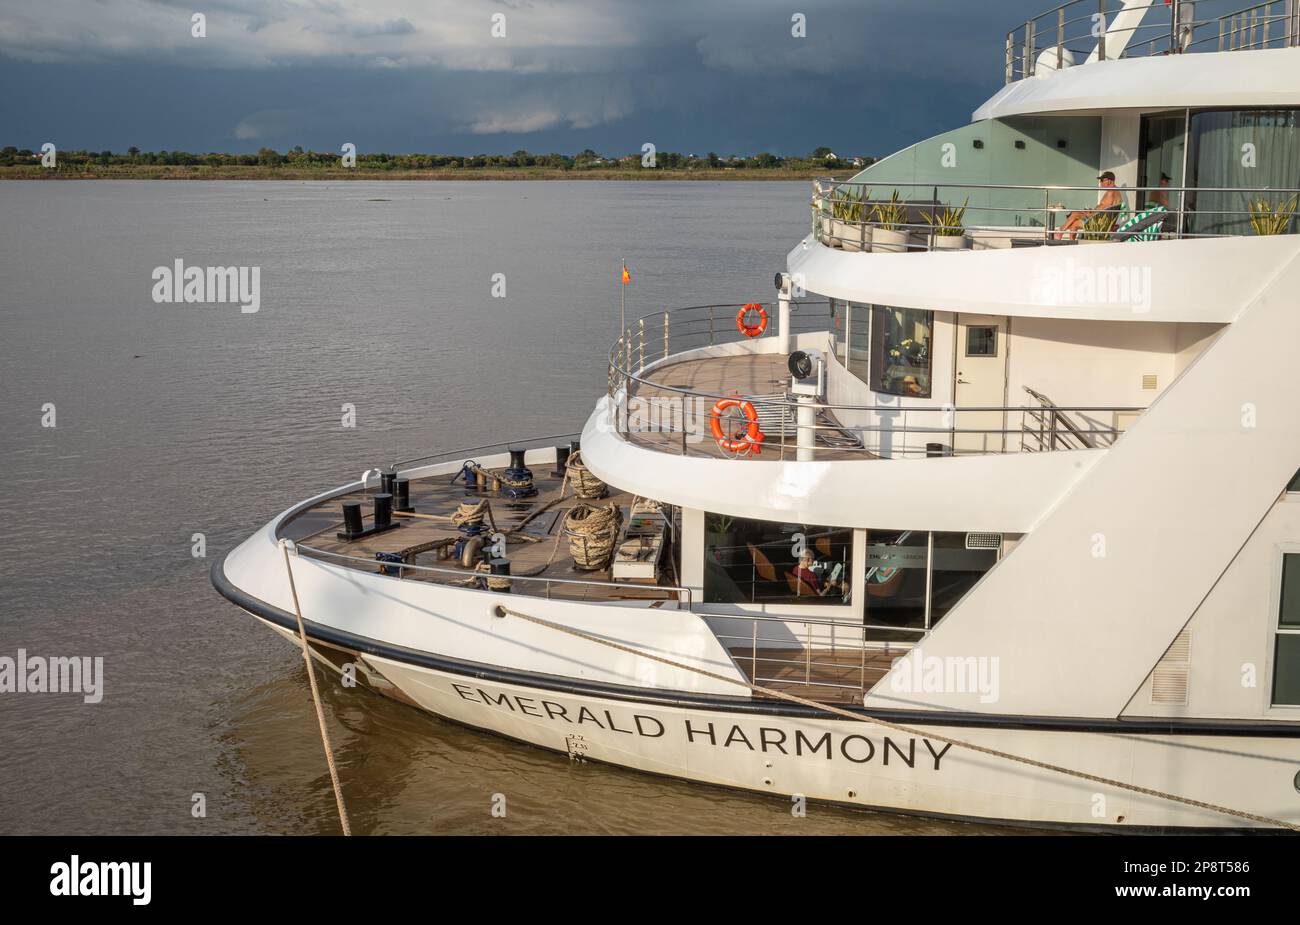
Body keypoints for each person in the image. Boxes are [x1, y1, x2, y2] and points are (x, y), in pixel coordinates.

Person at [1057, 171, 1122, 240]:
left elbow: (1103, 210)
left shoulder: (1111, 192)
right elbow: (1104, 209)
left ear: (1109, 181)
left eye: (1102, 180)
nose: (1100, 183)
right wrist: (1092, 211)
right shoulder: (1114, 191)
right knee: (1074, 224)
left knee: (1075, 213)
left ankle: (1059, 233)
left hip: (1098, 224)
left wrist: (1090, 213)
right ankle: (1070, 242)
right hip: (1100, 221)